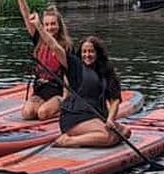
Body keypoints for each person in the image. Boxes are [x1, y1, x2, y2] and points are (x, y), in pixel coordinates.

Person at [32, 18, 129, 147]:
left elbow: (114, 99)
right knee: (106, 136)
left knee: (126, 132)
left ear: (97, 53)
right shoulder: (75, 66)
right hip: (75, 116)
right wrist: (39, 26)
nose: (87, 55)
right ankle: (68, 141)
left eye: (91, 51)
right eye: (84, 52)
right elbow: (55, 46)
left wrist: (111, 119)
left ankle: (99, 137)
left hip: (97, 116)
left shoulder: (106, 70)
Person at [11, 0, 72, 120]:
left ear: (59, 25)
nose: (50, 27)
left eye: (53, 24)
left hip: (57, 91)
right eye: (47, 24)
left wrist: (66, 96)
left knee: (42, 114)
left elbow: (68, 74)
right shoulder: (38, 39)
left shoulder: (65, 46)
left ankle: (61, 106)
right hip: (40, 89)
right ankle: (43, 105)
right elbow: (26, 15)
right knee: (27, 114)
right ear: (43, 26)